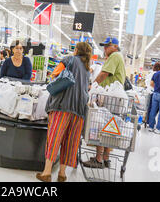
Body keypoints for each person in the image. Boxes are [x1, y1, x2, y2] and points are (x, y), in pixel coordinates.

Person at [36, 42, 92, 182]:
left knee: (54, 138)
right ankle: (62, 174)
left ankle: (47, 173)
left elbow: (55, 74)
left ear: (77, 50)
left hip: (62, 106)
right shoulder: (87, 68)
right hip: (79, 110)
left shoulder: (69, 59)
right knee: (70, 141)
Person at [82, 37, 126, 169]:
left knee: (100, 127)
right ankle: (106, 158)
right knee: (109, 129)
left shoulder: (115, 56)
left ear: (115, 46)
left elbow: (104, 74)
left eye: (108, 46)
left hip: (109, 98)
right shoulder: (118, 56)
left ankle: (99, 159)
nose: (105, 48)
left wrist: (92, 87)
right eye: (104, 46)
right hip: (114, 99)